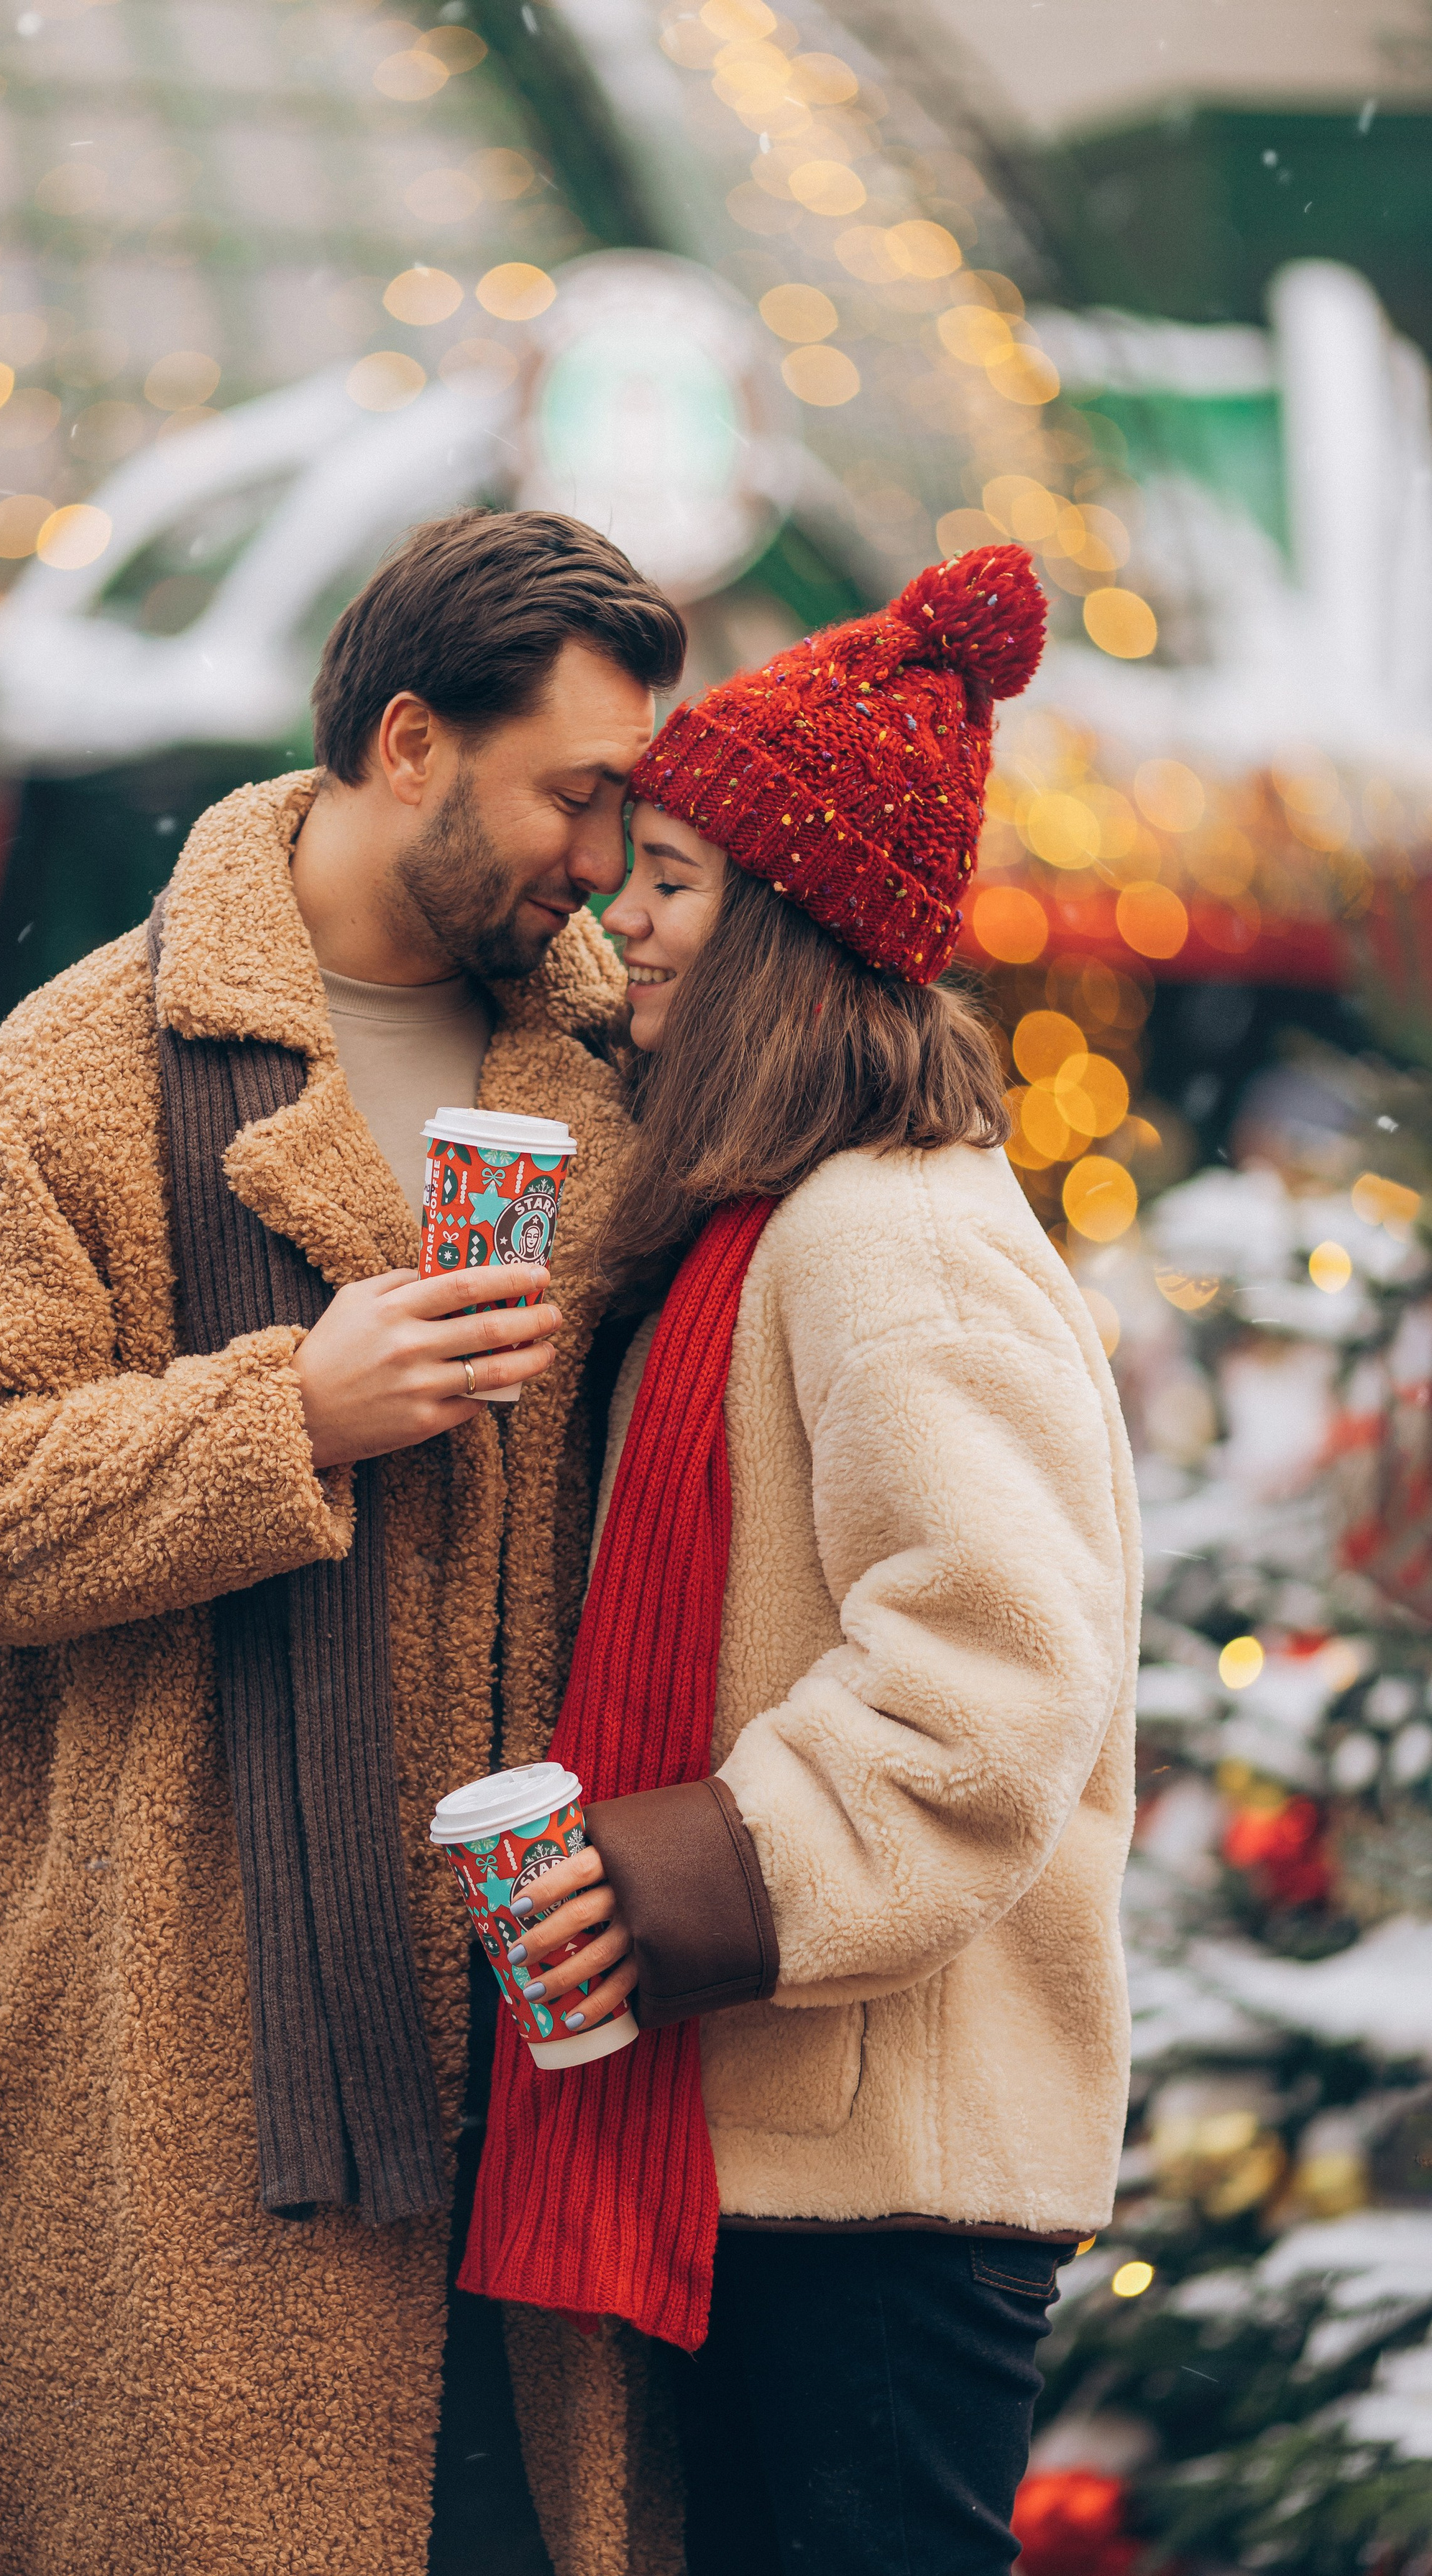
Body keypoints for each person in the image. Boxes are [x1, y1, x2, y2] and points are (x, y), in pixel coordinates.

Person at [0, 510, 687, 2576]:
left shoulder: (623, 1073)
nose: (597, 853)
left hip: (549, 2039)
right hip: (185, 2076)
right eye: (572, 791)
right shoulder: (72, 1074)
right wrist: (287, 1408)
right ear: (407, 743)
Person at [461, 544, 1142, 2575]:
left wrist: (670, 1878)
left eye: (673, 883)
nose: (625, 923)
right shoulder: (775, 1224)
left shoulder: (884, 1240)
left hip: (892, 2166)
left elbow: (996, 1676)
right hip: (806, 2136)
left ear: (784, 924)